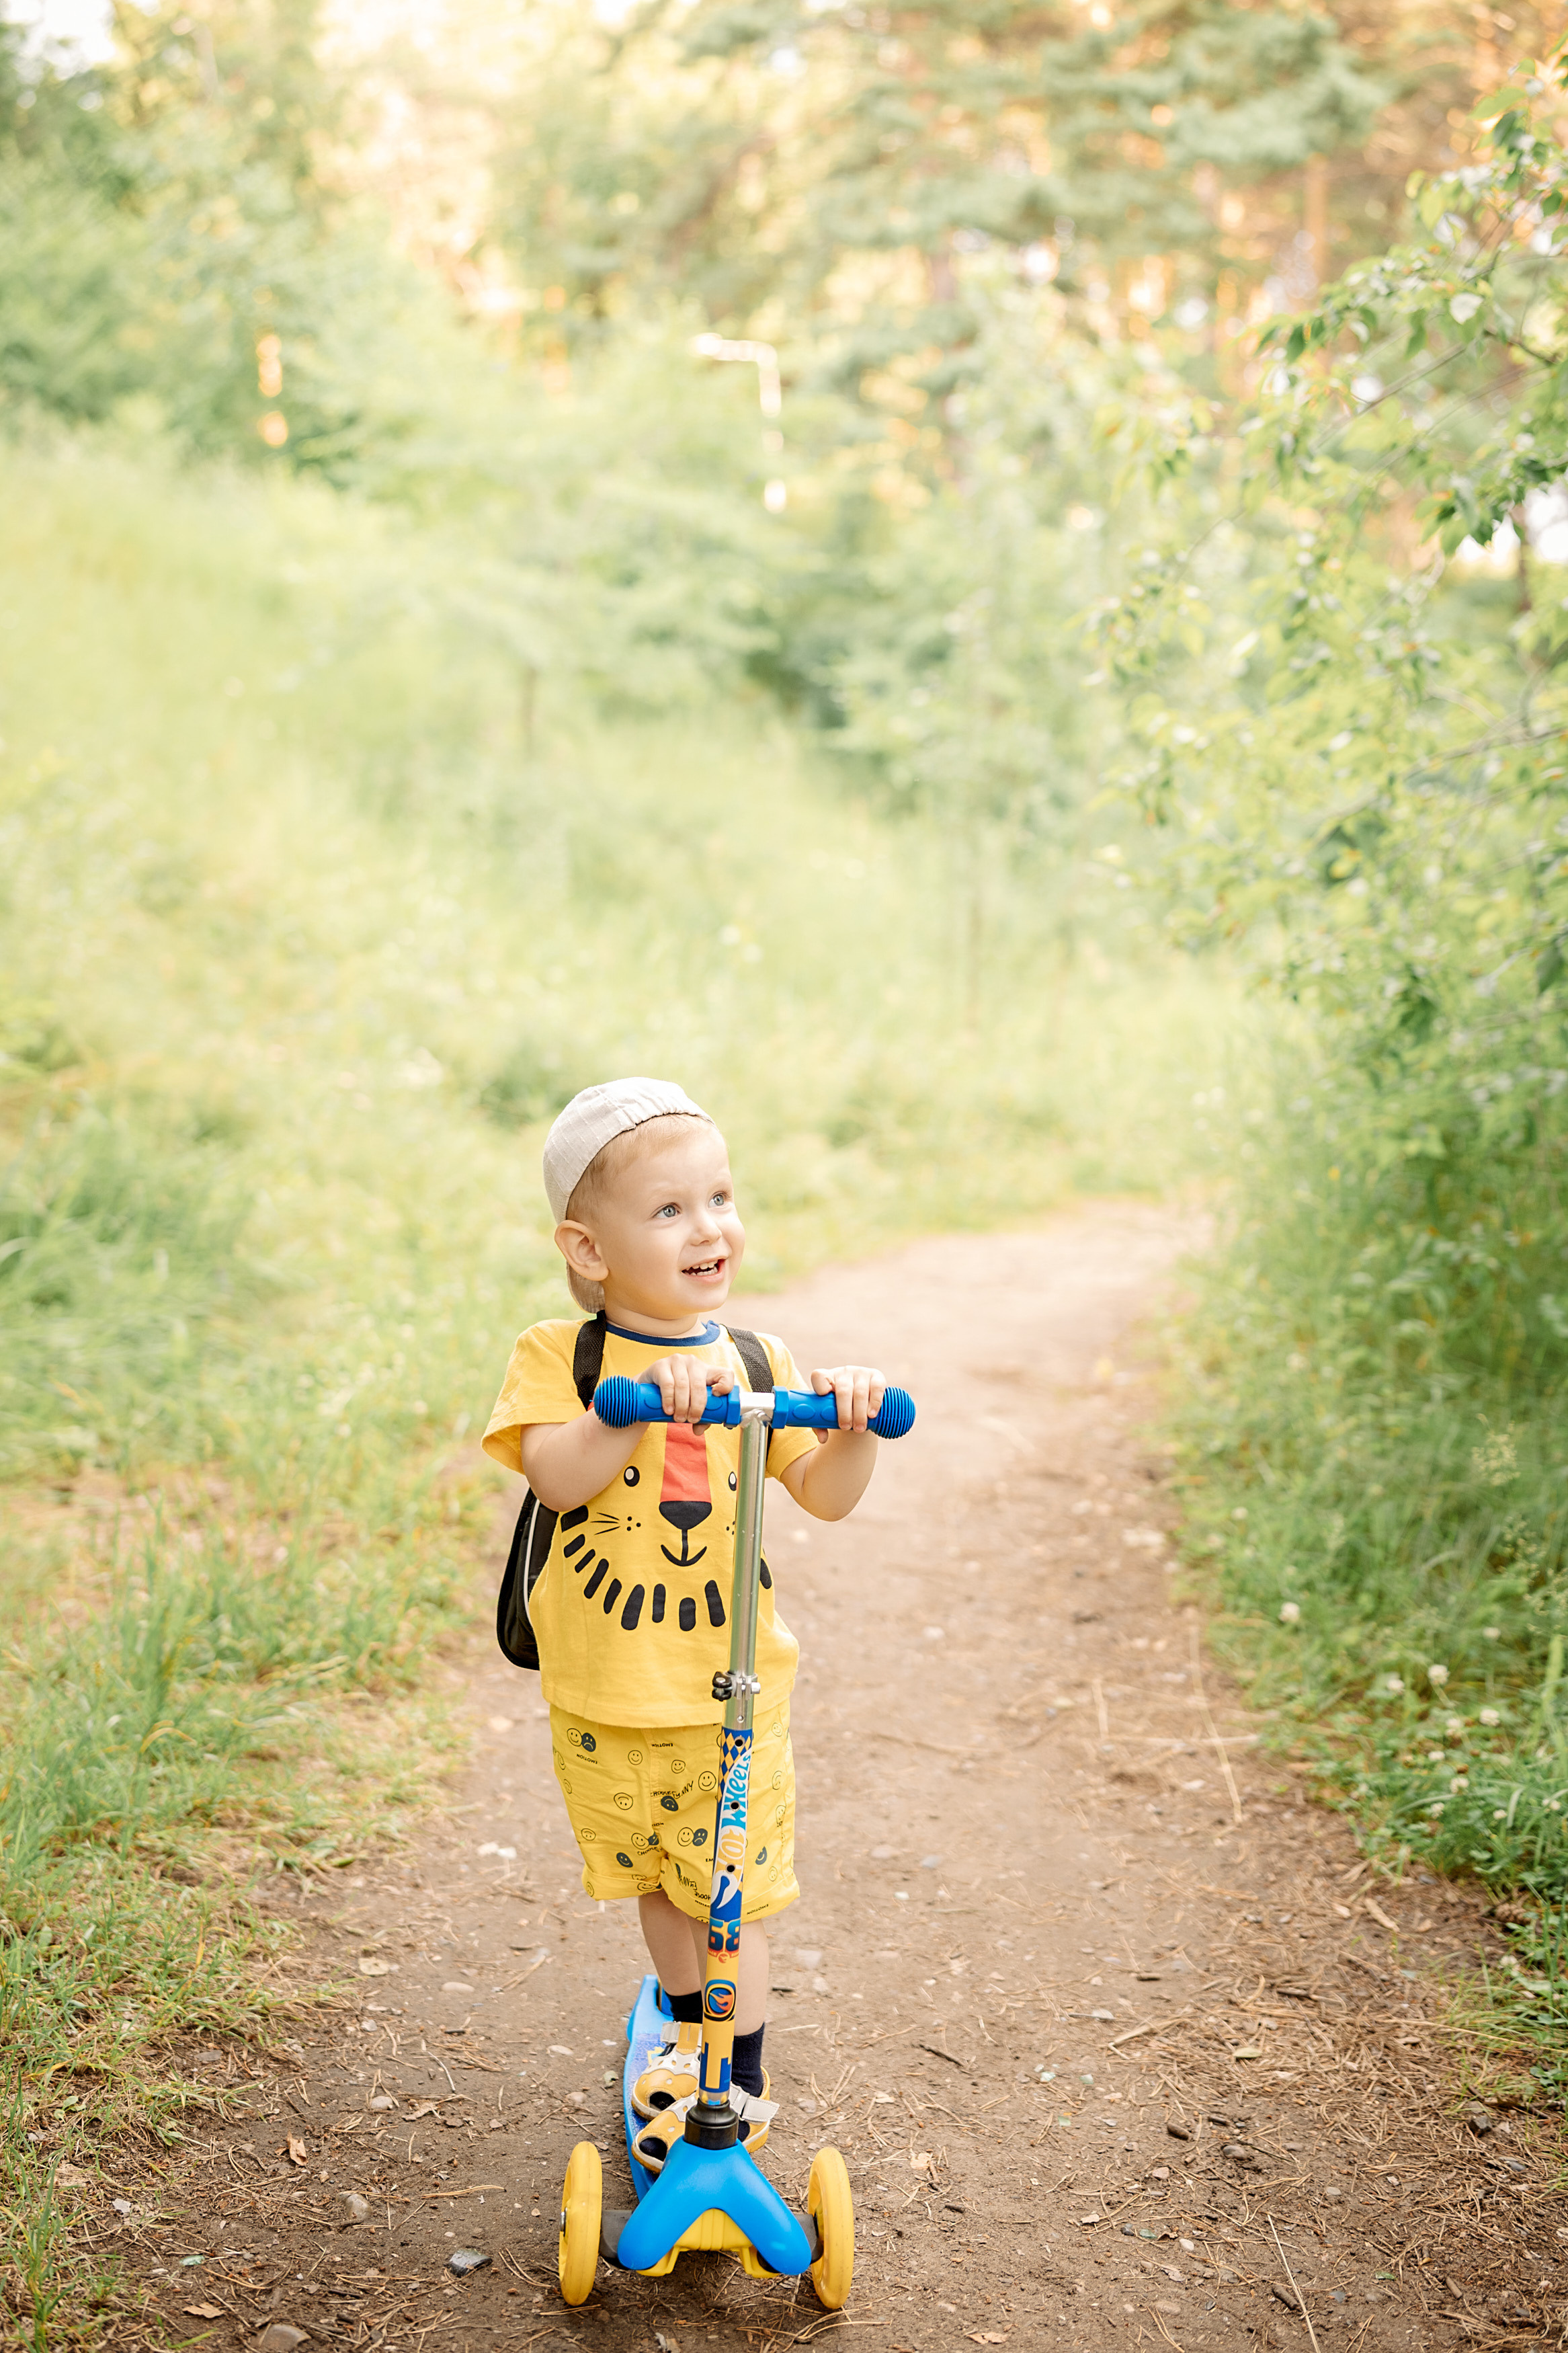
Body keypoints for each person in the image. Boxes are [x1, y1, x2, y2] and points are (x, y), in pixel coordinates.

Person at [483, 1078, 887, 2172]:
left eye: (718, 1197)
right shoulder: (557, 1359)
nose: (708, 1227)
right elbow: (558, 1481)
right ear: (588, 1246)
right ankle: (682, 2019)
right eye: (668, 1210)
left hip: (730, 1692)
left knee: (730, 1894)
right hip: (606, 1693)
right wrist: (636, 1407)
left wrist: (850, 1424)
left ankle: (733, 2081)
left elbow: (828, 1494)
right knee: (664, 1892)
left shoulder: (763, 1366)